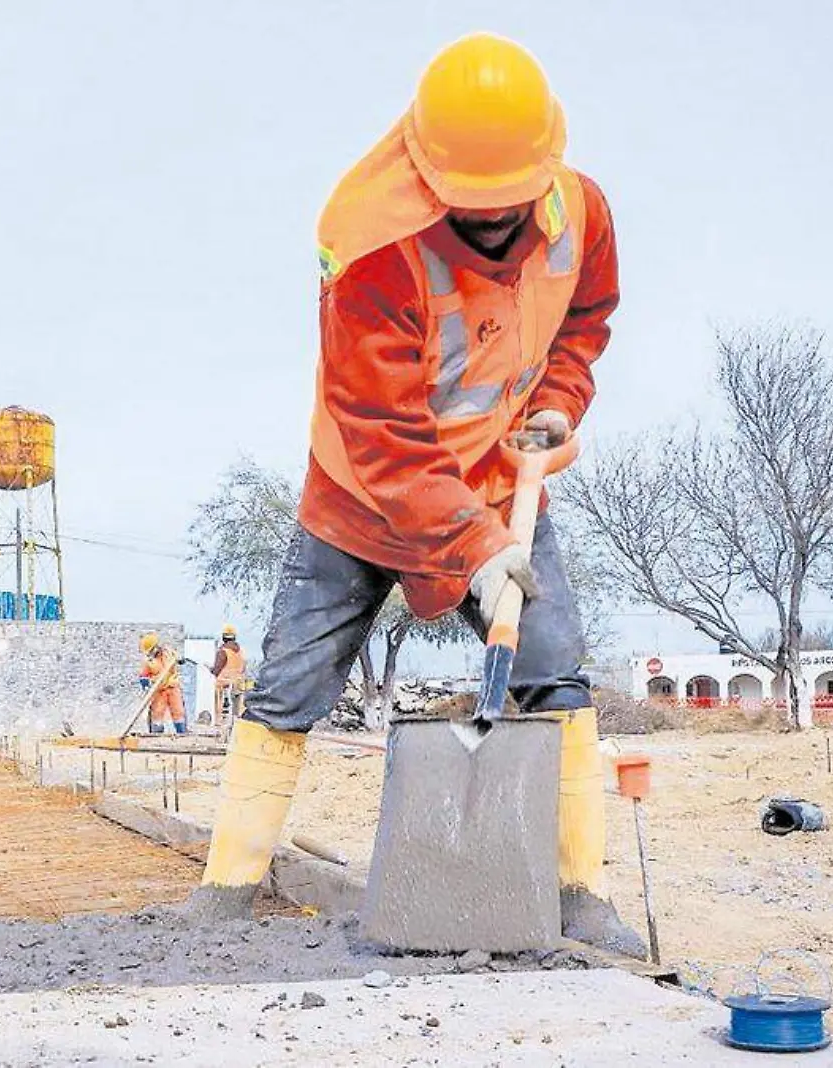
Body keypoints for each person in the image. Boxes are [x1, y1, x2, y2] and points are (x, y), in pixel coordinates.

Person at [188, 33, 639, 954]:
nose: (498, 221)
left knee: (558, 675)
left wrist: (554, 406)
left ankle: (580, 895)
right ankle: (227, 892)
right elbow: (385, 438)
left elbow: (585, 322)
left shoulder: (580, 211)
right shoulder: (367, 245)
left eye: (512, 201)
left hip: (500, 482)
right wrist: (475, 551)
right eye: (475, 207)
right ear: (431, 176)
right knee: (286, 689)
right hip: (361, 498)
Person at [137, 632, 186, 736]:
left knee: (178, 711)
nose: (150, 653)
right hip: (159, 690)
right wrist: (145, 683)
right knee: (157, 713)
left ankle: (182, 733)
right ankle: (156, 734)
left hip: (173, 687)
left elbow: (179, 658)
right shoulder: (149, 662)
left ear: (156, 646)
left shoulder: (168, 652)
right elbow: (143, 676)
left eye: (151, 650)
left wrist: (180, 659)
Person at [209, 625, 247, 730]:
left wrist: (211, 669)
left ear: (223, 638)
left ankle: (219, 723)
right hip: (238, 682)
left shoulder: (223, 651)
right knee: (237, 707)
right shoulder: (240, 651)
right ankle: (236, 724)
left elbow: (217, 670)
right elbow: (243, 667)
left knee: (220, 702)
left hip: (224, 683)